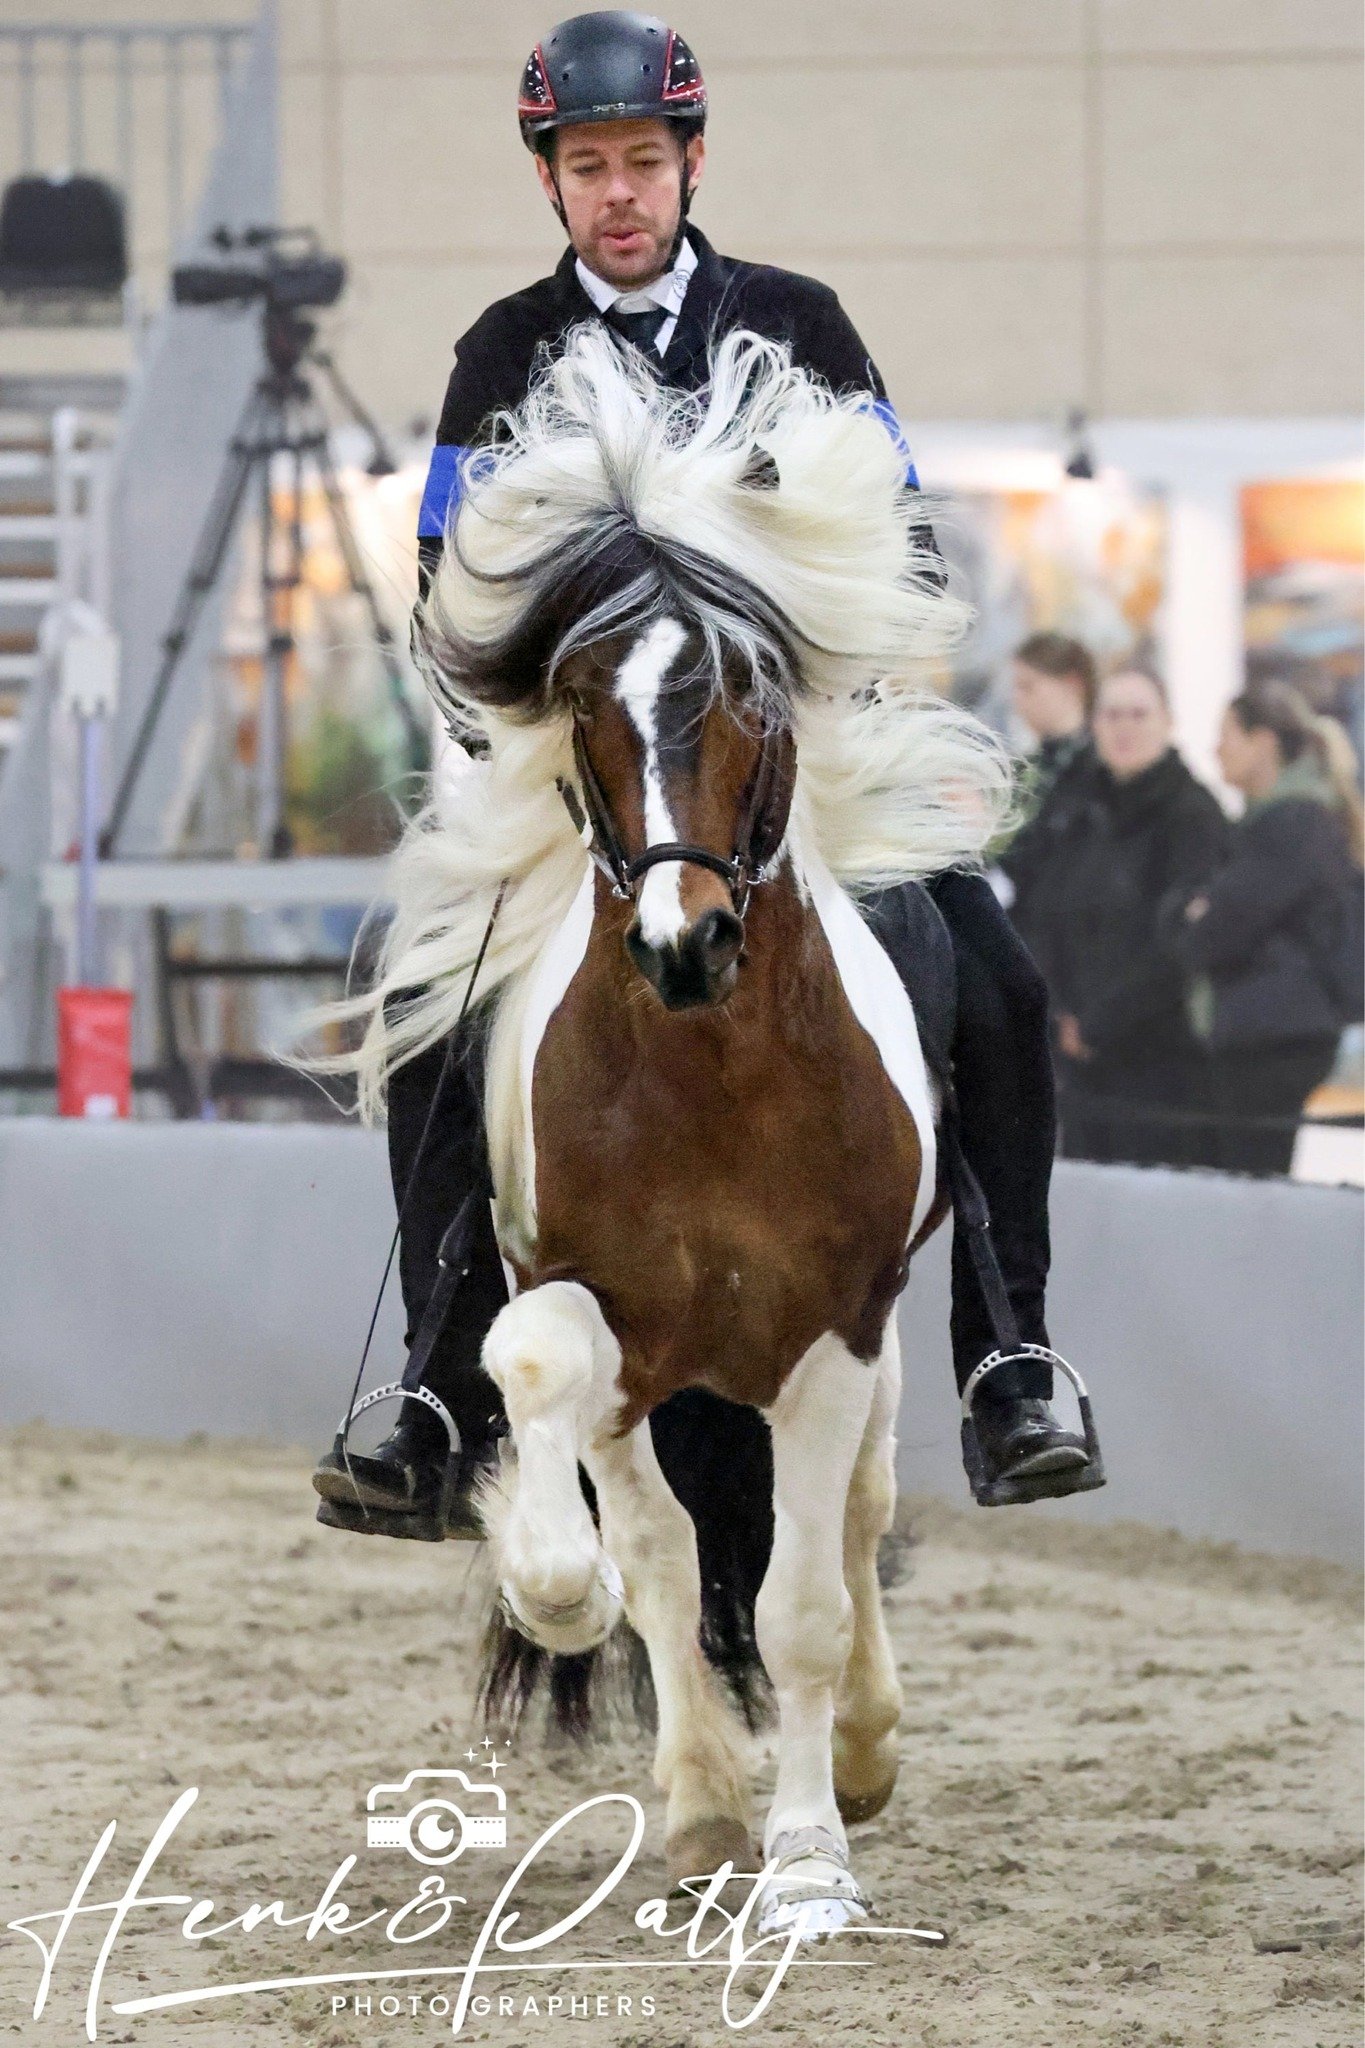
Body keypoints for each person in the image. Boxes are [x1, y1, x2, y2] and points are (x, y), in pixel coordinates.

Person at [313, 9, 1100, 1541]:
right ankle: (432, 1386)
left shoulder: (797, 323)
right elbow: (446, 591)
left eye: (643, 162)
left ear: (691, 162)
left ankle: (1008, 1355)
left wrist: (810, 699)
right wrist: (531, 749)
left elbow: (901, 544)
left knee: (994, 984)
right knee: (428, 1013)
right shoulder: (503, 351)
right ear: (550, 182)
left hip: (790, 761)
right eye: (587, 166)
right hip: (579, 779)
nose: (618, 193)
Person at [1020, 667, 1229, 1168]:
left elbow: (1183, 944)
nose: (1124, 728)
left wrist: (1098, 1023)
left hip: (1159, 1056)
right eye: (1112, 714)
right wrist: (1061, 1013)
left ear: (1167, 723)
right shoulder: (1077, 808)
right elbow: (1041, 910)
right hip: (1077, 1057)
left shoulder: (1193, 814)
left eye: (1139, 714)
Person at [1172, 682, 1363, 1176]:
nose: (1216, 749)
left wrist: (1198, 913)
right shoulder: (1275, 823)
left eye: (1228, 734)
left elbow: (1214, 931)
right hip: (1269, 1032)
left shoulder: (1294, 822)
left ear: (1264, 741)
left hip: (1273, 1041)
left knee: (1256, 1189)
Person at [996, 630, 1097, 961]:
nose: (1017, 699)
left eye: (1028, 686)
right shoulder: (1027, 769)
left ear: (1071, 685)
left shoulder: (1099, 769)